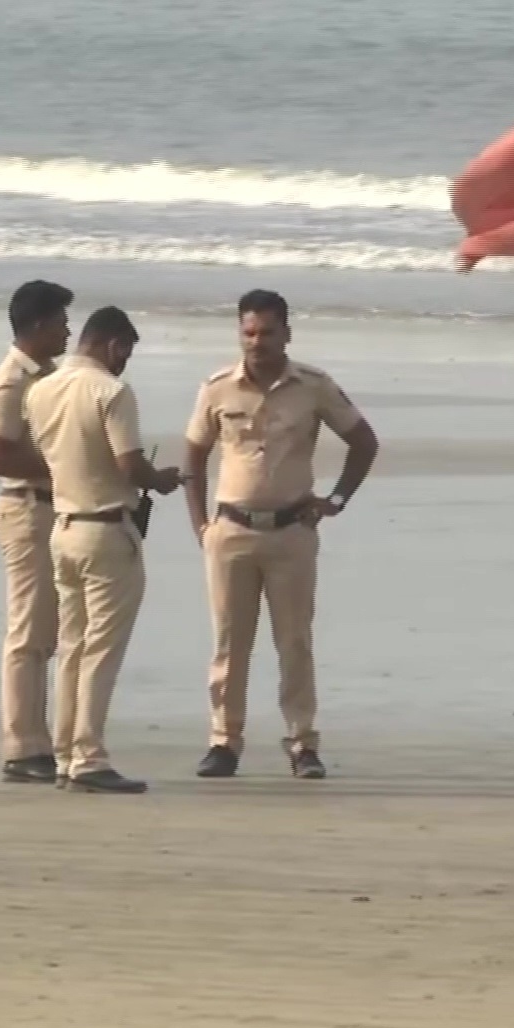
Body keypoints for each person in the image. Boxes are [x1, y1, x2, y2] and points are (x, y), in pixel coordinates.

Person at [182, 289, 379, 779]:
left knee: (294, 642)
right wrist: (200, 525)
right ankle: (224, 742)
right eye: (249, 332)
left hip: (292, 533)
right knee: (229, 643)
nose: (257, 342)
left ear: (287, 334)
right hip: (231, 532)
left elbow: (363, 441)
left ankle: (302, 743)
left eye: (267, 332)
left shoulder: (312, 386)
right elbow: (193, 454)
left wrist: (335, 500)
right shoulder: (217, 387)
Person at [24, 305, 182, 794]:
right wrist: (163, 480)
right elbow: (129, 463)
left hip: (63, 526)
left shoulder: (40, 389)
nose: (124, 363)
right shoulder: (111, 392)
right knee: (101, 650)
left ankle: (68, 753)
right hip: (107, 528)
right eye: (125, 353)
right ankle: (89, 756)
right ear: (114, 345)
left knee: (71, 647)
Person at [0, 280, 73, 784]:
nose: (67, 330)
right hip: (26, 509)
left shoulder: (47, 375)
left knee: (49, 630)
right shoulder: (13, 379)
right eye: (61, 321)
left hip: (48, 508)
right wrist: (65, 465)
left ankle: (42, 740)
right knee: (29, 632)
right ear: (38, 325)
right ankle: (22, 746)